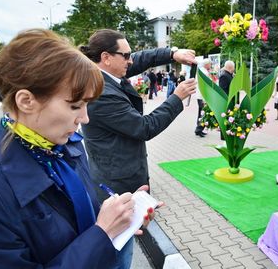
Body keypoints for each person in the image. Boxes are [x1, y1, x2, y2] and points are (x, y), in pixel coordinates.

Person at [0, 29, 158, 268]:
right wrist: (102, 233)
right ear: (26, 101)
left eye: (86, 105)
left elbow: (75, 217)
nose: (85, 119)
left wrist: (119, 218)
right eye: (74, 106)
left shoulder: (65, 144)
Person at [79, 29, 196, 269]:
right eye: (126, 55)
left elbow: (141, 58)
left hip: (118, 177)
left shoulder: (102, 73)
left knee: (125, 243)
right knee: (118, 251)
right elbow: (144, 127)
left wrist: (173, 53)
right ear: (106, 57)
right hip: (115, 185)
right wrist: (176, 97)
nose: (131, 61)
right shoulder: (101, 93)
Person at [195, 59, 212, 137]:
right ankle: (199, 129)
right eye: (210, 64)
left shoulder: (201, 70)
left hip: (200, 95)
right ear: (206, 64)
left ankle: (198, 128)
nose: (210, 65)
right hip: (203, 96)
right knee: (203, 113)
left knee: (201, 112)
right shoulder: (204, 72)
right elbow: (208, 85)